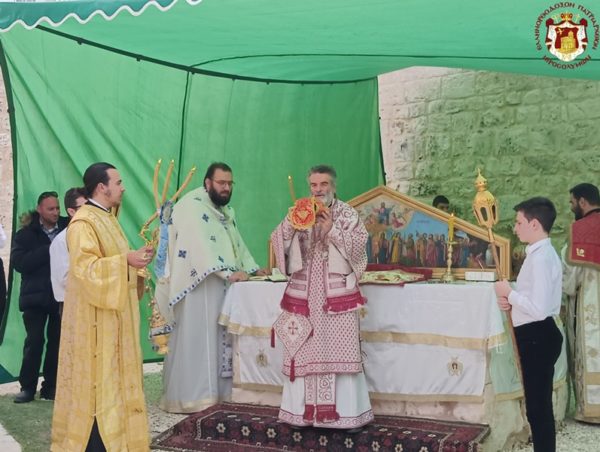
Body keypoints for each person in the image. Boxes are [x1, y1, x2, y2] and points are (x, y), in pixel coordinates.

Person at [51, 163, 152, 451]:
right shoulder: (84, 223)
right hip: (95, 326)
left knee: (115, 385)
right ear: (101, 187)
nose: (123, 188)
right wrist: (125, 261)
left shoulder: (108, 218)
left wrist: (135, 266)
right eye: (118, 182)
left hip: (115, 323)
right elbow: (86, 270)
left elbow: (115, 261)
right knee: (98, 387)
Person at [156, 162, 266, 413]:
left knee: (219, 338)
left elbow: (235, 243)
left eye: (229, 183)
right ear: (208, 183)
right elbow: (200, 246)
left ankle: (220, 394)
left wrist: (251, 268)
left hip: (221, 284)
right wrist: (228, 272)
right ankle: (193, 398)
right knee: (199, 339)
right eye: (221, 183)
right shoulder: (192, 206)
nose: (226, 188)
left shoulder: (223, 211)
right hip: (198, 286)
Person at [271, 164, 373, 429]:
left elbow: (359, 249)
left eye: (324, 184)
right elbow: (277, 240)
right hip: (304, 297)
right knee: (303, 351)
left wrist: (332, 230)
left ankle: (347, 417)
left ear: (333, 186)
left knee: (340, 353)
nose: (318, 190)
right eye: (314, 185)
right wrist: (291, 226)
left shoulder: (347, 213)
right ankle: (299, 414)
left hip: (336, 299)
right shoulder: (299, 211)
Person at [494, 197, 563, 452]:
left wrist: (509, 293)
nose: (515, 228)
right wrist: (512, 302)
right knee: (536, 407)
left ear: (534, 224)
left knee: (538, 409)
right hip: (536, 334)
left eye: (519, 222)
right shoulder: (539, 254)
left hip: (538, 336)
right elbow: (533, 299)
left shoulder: (541, 258)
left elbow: (539, 309)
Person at [11, 191, 68, 403]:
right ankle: (27, 388)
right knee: (34, 342)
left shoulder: (68, 228)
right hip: (34, 298)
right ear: (39, 210)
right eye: (50, 208)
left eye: (57, 208)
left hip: (60, 296)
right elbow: (19, 263)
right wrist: (49, 250)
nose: (55, 212)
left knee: (57, 343)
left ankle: (50, 387)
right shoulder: (25, 234)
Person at [561, 182, 600, 424]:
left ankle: (592, 410)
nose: (571, 207)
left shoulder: (580, 231)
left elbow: (570, 279)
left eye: (572, 202)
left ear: (582, 202)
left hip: (590, 305)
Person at [49, 187, 87, 315]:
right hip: (73, 306)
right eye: (85, 208)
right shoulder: (61, 240)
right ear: (71, 211)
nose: (91, 212)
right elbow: (66, 279)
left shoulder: (92, 235)